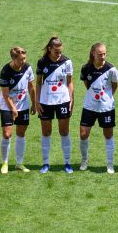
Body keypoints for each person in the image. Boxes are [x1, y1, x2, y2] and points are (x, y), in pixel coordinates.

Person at [78, 42, 118, 174]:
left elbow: (114, 85)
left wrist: (106, 98)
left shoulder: (112, 69)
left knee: (108, 134)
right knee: (83, 134)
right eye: (100, 54)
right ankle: (84, 160)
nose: (103, 57)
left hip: (106, 108)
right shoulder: (85, 68)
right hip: (89, 106)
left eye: (104, 54)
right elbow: (87, 84)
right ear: (93, 54)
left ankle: (110, 163)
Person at [36, 35, 75, 174]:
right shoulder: (42, 62)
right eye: (56, 52)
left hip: (63, 101)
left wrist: (71, 99)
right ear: (49, 49)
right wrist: (37, 101)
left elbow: (70, 82)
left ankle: (67, 162)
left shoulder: (67, 62)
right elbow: (38, 83)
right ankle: (45, 163)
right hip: (45, 102)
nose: (59, 54)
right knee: (46, 132)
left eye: (60, 51)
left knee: (64, 131)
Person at [0, 45, 37, 173]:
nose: (23, 61)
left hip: (23, 105)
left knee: (21, 133)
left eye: (24, 58)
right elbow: (5, 94)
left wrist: (34, 103)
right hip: (7, 105)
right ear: (13, 58)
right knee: (7, 134)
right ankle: (5, 163)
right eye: (20, 59)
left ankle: (19, 163)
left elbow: (31, 87)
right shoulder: (5, 71)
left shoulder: (27, 68)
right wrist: (13, 109)